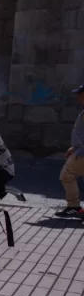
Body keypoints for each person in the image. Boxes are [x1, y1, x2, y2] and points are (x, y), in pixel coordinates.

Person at [56, 84, 84, 217]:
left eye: (80, 94)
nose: (77, 96)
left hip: (82, 153)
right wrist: (74, 147)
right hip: (80, 150)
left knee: (66, 175)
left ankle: (74, 206)